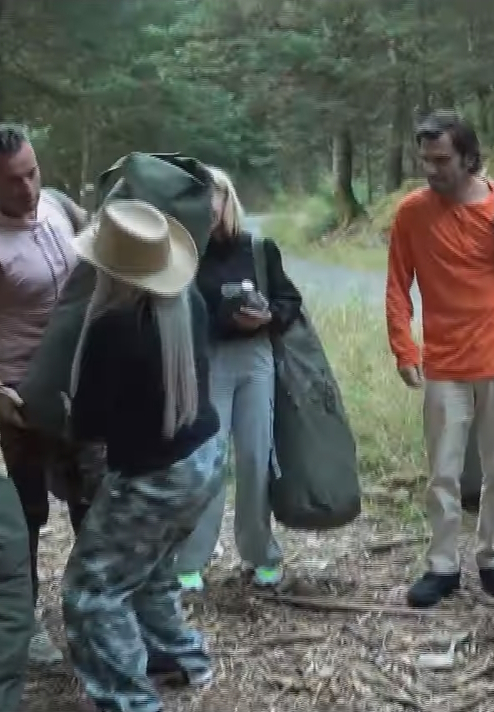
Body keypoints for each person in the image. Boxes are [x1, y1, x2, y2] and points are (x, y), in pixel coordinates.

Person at [62, 198, 222, 712]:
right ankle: (181, 657)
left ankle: (130, 702)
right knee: (152, 568)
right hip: (206, 459)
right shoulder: (187, 302)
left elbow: (87, 425)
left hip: (154, 476)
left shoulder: (113, 326)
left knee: (92, 593)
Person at [0, 123, 90, 664]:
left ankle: (91, 610)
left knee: (89, 503)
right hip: (23, 397)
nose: (26, 189)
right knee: (27, 512)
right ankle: (24, 623)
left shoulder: (55, 204)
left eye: (31, 172)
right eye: (11, 182)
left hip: (79, 385)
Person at [386, 110, 494, 608]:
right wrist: (403, 347)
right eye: (426, 161)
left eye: (442, 160)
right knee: (444, 472)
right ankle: (442, 565)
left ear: (469, 156)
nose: (433, 170)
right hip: (445, 359)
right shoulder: (412, 211)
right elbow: (397, 284)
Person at [175, 167, 303, 592]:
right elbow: (181, 317)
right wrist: (226, 320)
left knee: (254, 458)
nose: (210, 212)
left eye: (215, 202)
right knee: (209, 463)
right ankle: (190, 560)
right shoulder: (186, 254)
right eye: (201, 205)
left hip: (256, 361)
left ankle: (260, 553)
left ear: (229, 202)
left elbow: (289, 300)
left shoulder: (259, 248)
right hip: (209, 362)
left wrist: (268, 316)